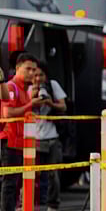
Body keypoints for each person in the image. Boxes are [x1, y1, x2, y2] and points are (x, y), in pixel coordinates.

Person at [1, 53, 42, 211]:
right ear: (18, 68)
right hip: (9, 141)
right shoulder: (11, 87)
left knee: (15, 182)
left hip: (20, 143)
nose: (32, 73)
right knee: (9, 183)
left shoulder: (25, 89)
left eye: (34, 70)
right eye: (28, 69)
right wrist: (31, 103)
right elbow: (8, 113)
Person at [29, 61, 67, 211]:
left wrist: (50, 103)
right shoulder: (26, 87)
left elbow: (63, 106)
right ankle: (28, 202)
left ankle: (53, 205)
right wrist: (32, 99)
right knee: (31, 173)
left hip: (51, 136)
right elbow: (23, 107)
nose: (38, 78)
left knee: (53, 174)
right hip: (33, 137)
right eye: (35, 74)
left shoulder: (52, 85)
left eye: (41, 75)